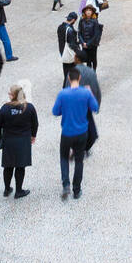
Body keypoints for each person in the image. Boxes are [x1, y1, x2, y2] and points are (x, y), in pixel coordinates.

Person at [53, 69, 98, 200]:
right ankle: (77, 190)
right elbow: (95, 108)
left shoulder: (62, 94)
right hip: (82, 132)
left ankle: (65, 184)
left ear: (68, 78)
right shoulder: (86, 93)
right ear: (79, 78)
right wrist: (90, 93)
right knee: (79, 160)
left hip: (67, 132)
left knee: (64, 157)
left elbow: (55, 111)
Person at [0, 83, 37, 198]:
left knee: (8, 166)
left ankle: (7, 189)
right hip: (23, 141)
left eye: (10, 93)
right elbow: (35, 124)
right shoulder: (29, 107)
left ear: (13, 95)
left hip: (9, 141)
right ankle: (19, 191)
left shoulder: (5, 108)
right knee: (20, 166)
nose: (8, 94)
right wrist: (33, 135)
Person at [77, 5, 103, 70]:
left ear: (92, 12)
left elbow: (96, 34)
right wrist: (83, 43)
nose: (88, 12)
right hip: (84, 44)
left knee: (93, 59)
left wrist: (88, 43)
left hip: (92, 44)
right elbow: (79, 32)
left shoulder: (95, 21)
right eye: (87, 10)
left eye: (90, 10)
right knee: (87, 60)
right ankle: (89, 73)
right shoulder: (82, 20)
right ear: (85, 12)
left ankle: (94, 73)